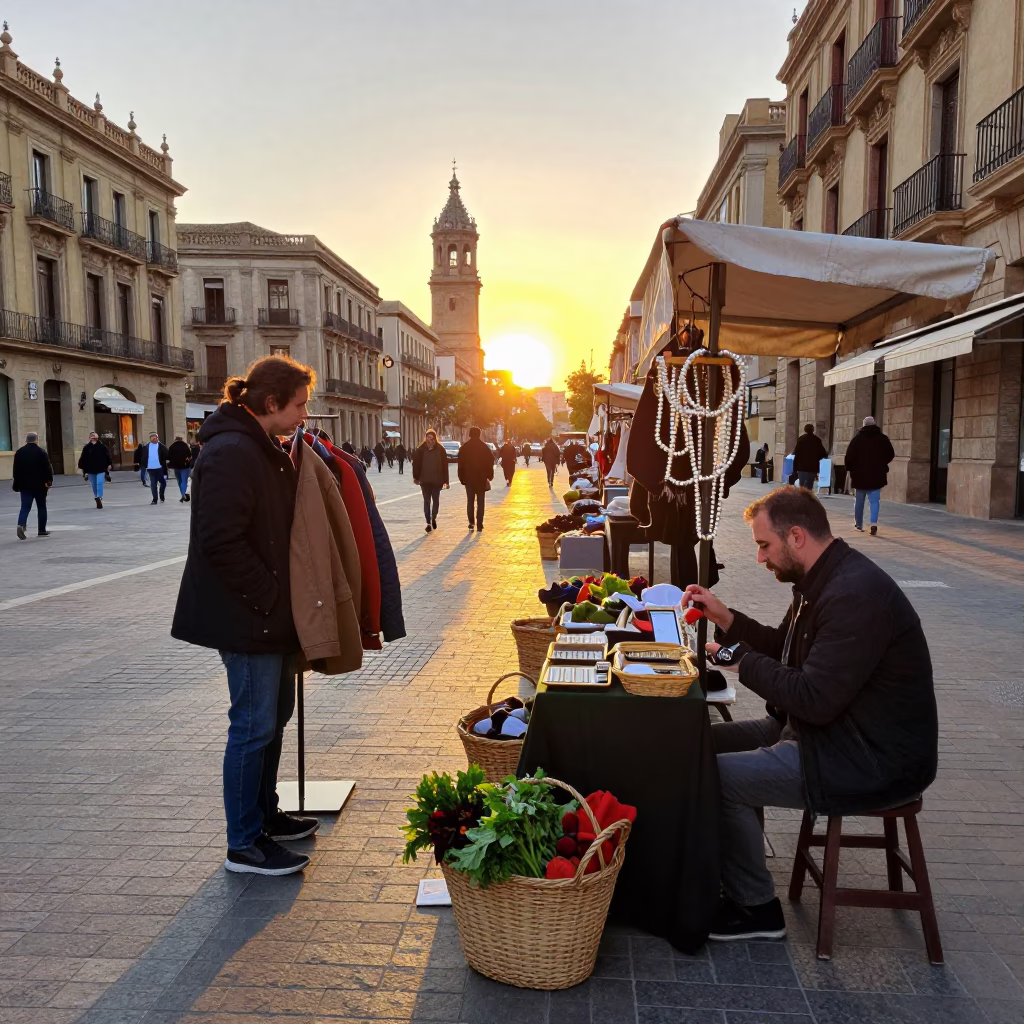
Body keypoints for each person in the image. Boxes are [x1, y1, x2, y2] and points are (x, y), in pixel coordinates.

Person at [682, 487, 936, 942]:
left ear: (795, 536)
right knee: (696, 744)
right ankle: (733, 864)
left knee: (714, 775)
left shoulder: (853, 595)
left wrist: (739, 662)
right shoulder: (823, 580)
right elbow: (786, 649)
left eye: (764, 546)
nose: (760, 559)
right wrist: (727, 619)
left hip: (864, 757)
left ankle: (756, 907)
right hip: (828, 734)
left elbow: (815, 696)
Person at [172, 354, 319, 877]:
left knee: (272, 721)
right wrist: (271, 596)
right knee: (252, 726)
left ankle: (264, 816)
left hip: (265, 615)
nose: (305, 413)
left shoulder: (260, 446)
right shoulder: (233, 451)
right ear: (272, 402)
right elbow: (221, 541)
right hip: (247, 616)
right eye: (299, 404)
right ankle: (243, 843)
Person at [844, 416, 895, 536]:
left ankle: (859, 524)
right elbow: (891, 454)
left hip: (859, 475)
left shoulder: (856, 440)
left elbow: (849, 457)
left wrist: (850, 469)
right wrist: (882, 463)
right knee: (875, 501)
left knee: (859, 501)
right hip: (877, 474)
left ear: (864, 425)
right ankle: (873, 523)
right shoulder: (882, 439)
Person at [12, 432, 53, 540]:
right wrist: (48, 481)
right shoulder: (41, 452)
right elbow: (47, 468)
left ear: (26, 440)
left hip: (25, 485)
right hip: (40, 485)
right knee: (41, 506)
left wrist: (16, 484)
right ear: (36, 440)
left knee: (25, 507)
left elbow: (16, 470)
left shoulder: (19, 452)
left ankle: (21, 525)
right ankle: (42, 530)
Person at [411, 429, 449, 532]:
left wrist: (446, 481)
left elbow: (445, 466)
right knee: (426, 501)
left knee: (436, 500)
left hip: (437, 481)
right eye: (428, 438)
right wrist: (416, 477)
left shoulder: (440, 450)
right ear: (426, 438)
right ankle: (428, 522)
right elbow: (416, 465)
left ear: (435, 438)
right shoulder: (420, 450)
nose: (430, 440)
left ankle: (434, 517)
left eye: (432, 438)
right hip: (425, 481)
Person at [458, 426, 494, 531]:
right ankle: (480, 524)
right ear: (479, 434)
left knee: (470, 501)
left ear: (470, 434)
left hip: (468, 478)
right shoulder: (484, 447)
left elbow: (460, 464)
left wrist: (461, 477)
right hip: (481, 478)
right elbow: (490, 462)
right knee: (481, 502)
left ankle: (471, 523)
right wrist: (489, 475)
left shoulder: (464, 448)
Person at [78, 431, 112, 509]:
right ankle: (97, 497)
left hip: (101, 468)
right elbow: (83, 458)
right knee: (94, 484)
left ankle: (99, 497)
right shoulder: (86, 447)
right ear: (89, 438)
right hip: (90, 469)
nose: (93, 437)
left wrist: (109, 464)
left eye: (94, 436)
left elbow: (107, 455)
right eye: (91, 436)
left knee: (99, 483)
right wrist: (82, 468)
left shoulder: (102, 446)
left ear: (97, 437)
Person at [792, 424, 827, 489]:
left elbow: (796, 452)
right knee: (809, 486)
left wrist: (795, 468)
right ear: (813, 430)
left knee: (801, 485)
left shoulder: (801, 439)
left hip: (802, 467)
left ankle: (802, 497)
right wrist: (816, 458)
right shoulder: (817, 440)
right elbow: (823, 454)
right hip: (812, 467)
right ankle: (808, 498)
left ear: (805, 430)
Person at [167, 435, 194, 503]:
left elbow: (168, 456)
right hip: (185, 466)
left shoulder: (172, 447)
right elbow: (190, 455)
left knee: (179, 480)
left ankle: (182, 494)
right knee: (184, 481)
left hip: (176, 466)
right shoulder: (185, 446)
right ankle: (183, 494)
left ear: (175, 440)